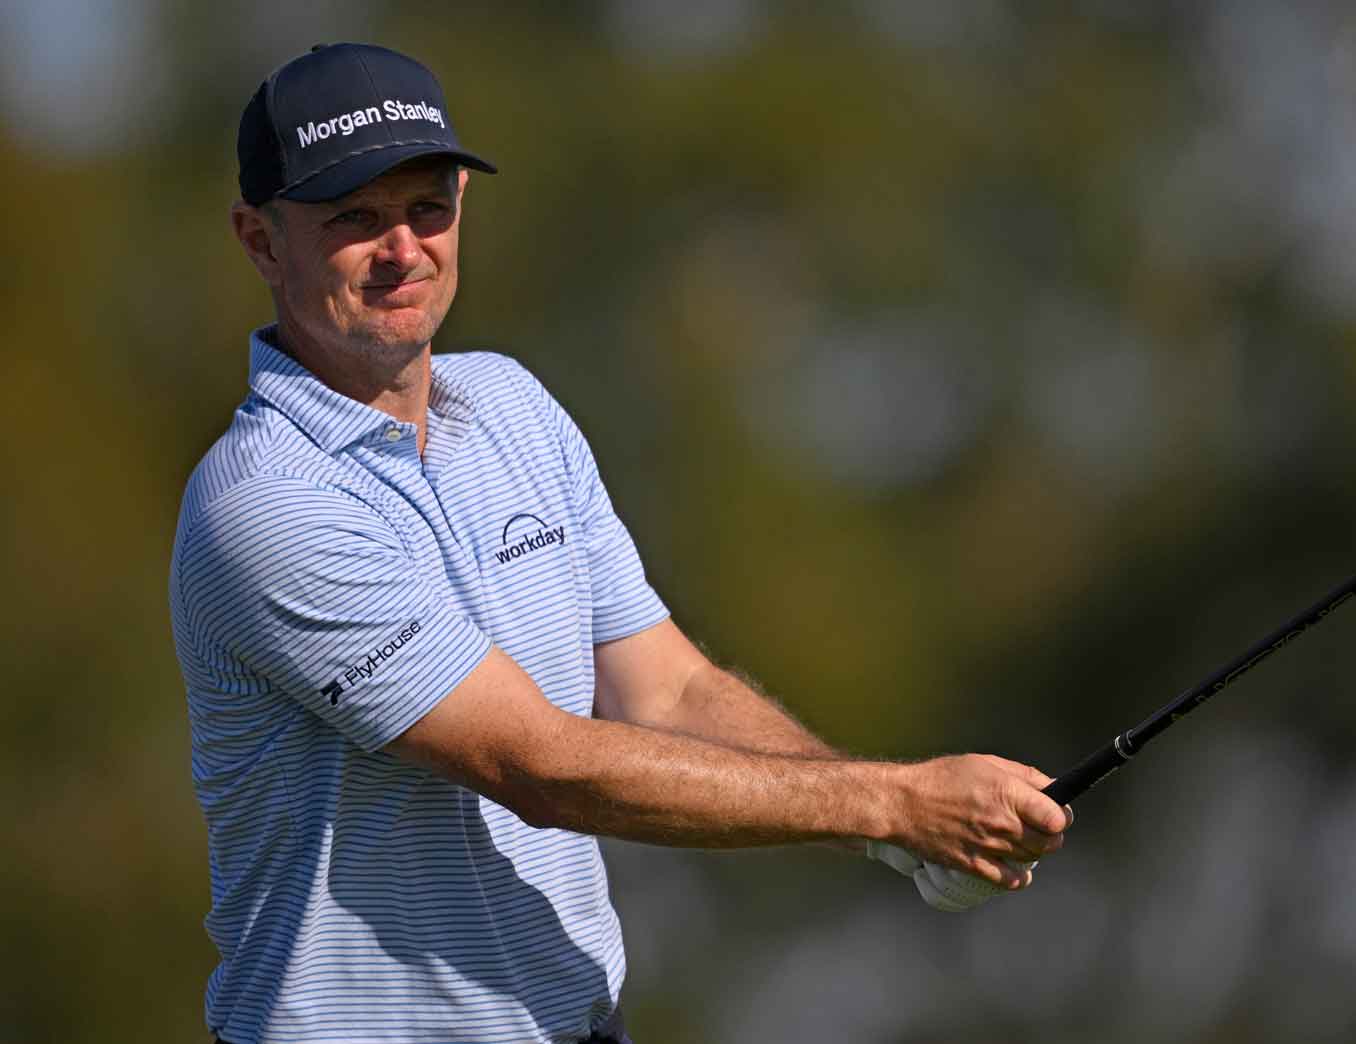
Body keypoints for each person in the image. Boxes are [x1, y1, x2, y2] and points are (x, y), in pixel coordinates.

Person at [169, 42, 1071, 1044]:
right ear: (259, 240)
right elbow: (540, 766)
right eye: (354, 218)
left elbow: (664, 690)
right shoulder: (263, 501)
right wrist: (892, 805)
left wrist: (895, 840)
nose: (403, 250)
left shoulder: (514, 408)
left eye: (427, 206)